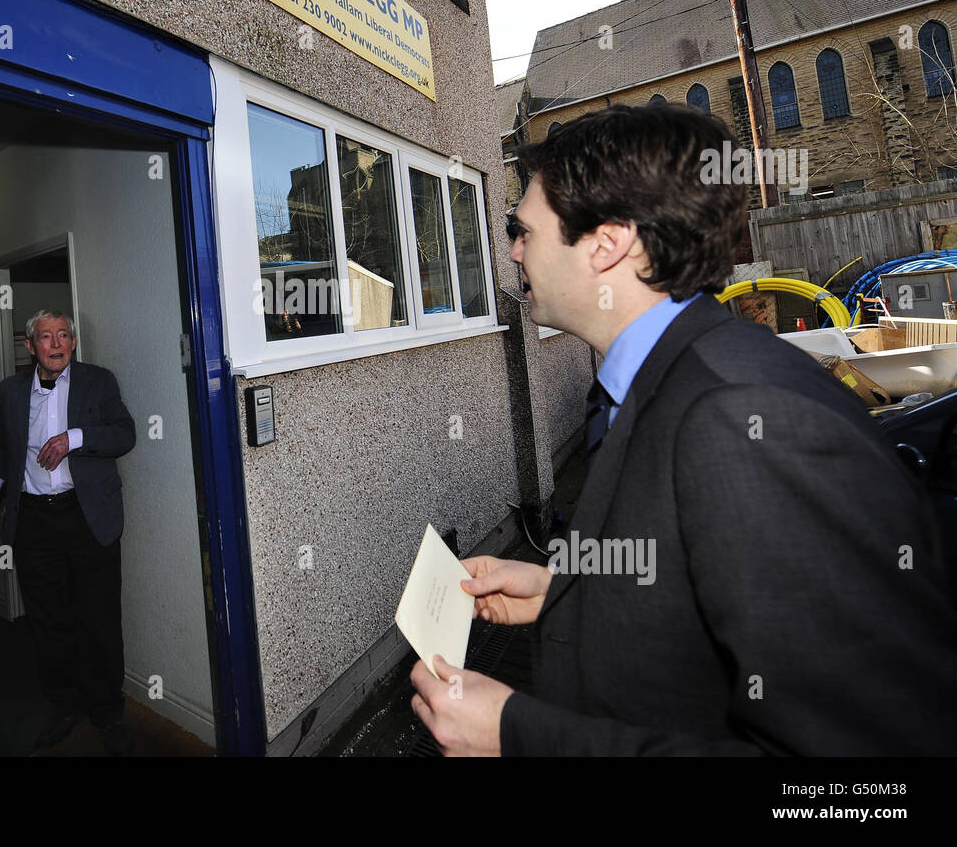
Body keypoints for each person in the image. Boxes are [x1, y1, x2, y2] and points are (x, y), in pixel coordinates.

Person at [410, 104, 957, 755]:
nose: (514, 250)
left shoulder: (742, 417)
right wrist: (568, 594)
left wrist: (520, 734)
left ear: (608, 242)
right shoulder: (645, 385)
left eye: (520, 228)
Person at [0, 309, 137, 755]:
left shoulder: (98, 381)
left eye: (63, 335)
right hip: (33, 521)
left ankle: (108, 714)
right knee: (49, 621)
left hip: (87, 517)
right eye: (45, 337)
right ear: (30, 347)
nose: (55, 344)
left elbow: (124, 435)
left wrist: (73, 438)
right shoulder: (10, 391)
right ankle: (65, 706)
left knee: (99, 619)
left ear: (73, 342)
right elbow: (0, 447)